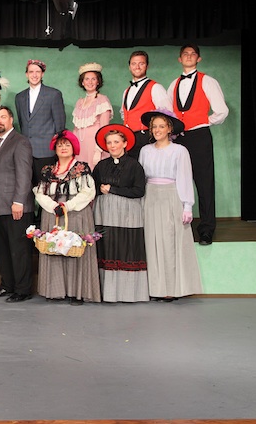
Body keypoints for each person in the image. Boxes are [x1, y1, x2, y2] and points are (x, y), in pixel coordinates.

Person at [138, 110, 203, 301]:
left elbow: (184, 177)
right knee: (152, 242)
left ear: (169, 129)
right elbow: (141, 179)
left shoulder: (179, 151)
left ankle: (172, 288)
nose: (157, 130)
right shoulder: (145, 151)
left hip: (171, 196)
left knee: (170, 242)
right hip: (151, 197)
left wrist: (187, 205)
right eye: (154, 126)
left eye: (161, 126)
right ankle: (155, 288)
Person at [167, 44, 229, 245]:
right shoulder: (174, 84)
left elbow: (222, 111)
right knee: (177, 182)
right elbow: (168, 112)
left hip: (199, 136)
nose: (189, 56)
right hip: (178, 138)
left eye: (193, 54)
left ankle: (206, 229)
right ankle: (179, 227)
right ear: (179, 59)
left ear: (198, 59)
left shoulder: (207, 81)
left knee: (204, 182)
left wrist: (203, 122)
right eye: (185, 54)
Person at [33, 130, 100, 305]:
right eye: (60, 145)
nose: (63, 148)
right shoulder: (48, 170)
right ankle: (55, 291)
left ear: (74, 148)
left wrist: (67, 206)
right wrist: (53, 206)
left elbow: (88, 192)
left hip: (76, 212)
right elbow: (39, 193)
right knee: (53, 249)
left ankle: (76, 292)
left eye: (67, 145)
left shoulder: (82, 168)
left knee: (74, 248)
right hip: (52, 213)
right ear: (55, 149)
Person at [0, 107, 35, 302]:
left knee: (19, 250)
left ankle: (23, 290)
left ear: (11, 119)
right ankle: (8, 285)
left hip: (16, 207)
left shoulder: (20, 142)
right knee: (3, 249)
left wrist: (18, 201)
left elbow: (24, 174)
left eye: (3, 117)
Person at [92, 124, 148, 303]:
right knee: (107, 248)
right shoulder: (101, 166)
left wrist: (113, 189)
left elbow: (139, 191)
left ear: (124, 143)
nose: (112, 146)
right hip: (105, 213)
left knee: (126, 248)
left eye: (116, 142)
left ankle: (128, 293)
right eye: (109, 143)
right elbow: (93, 189)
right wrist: (101, 190)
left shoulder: (134, 165)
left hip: (127, 214)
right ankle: (107, 292)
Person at [14, 59, 66, 185]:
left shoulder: (53, 94)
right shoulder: (19, 97)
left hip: (46, 150)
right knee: (27, 187)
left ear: (42, 74)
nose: (34, 75)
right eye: (31, 72)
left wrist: (56, 148)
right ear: (26, 74)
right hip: (26, 152)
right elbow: (22, 124)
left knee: (47, 187)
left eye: (38, 72)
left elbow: (60, 125)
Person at [121, 51, 171, 158]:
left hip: (147, 138)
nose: (137, 67)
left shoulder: (156, 87)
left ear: (147, 66)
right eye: (134, 64)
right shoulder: (126, 91)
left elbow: (167, 114)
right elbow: (124, 114)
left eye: (141, 63)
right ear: (129, 67)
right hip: (129, 139)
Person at [72, 62, 113, 170]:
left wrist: (99, 150)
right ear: (82, 82)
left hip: (95, 147)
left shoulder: (102, 100)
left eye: (93, 79)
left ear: (98, 81)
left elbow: (105, 129)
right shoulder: (79, 102)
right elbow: (76, 129)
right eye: (87, 79)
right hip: (80, 148)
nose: (90, 82)